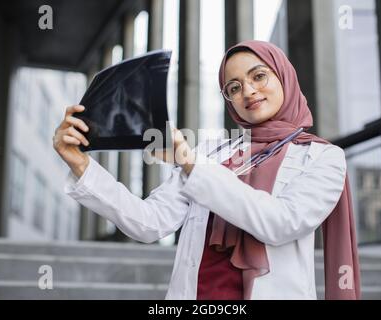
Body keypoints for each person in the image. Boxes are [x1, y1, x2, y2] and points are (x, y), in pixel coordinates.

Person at [53, 40, 361, 300]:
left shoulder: (323, 157)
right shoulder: (212, 153)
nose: (249, 91)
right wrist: (79, 163)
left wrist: (189, 161)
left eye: (259, 76)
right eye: (234, 87)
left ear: (284, 76)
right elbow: (149, 223)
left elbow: (280, 222)